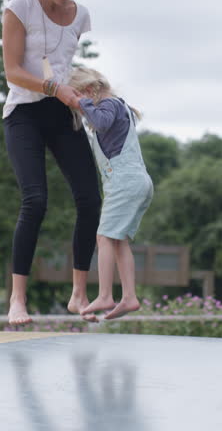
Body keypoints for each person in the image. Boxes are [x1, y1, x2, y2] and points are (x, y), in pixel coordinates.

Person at [1, 0, 100, 325]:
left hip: (61, 113)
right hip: (24, 113)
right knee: (36, 200)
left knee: (91, 199)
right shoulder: (19, 7)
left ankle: (78, 294)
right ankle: (18, 299)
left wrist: (84, 90)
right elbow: (13, 71)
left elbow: (62, 66)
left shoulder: (81, 16)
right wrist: (55, 88)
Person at [69, 66, 154, 320]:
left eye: (81, 96)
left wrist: (82, 103)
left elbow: (101, 122)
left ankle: (106, 294)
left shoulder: (108, 105)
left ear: (90, 90)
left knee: (104, 237)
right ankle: (129, 297)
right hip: (136, 182)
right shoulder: (118, 106)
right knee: (118, 241)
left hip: (124, 182)